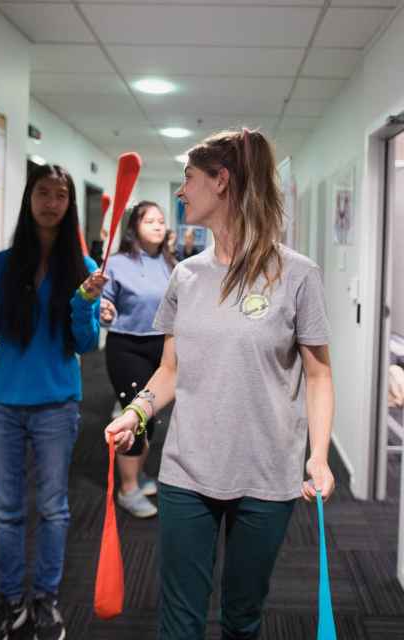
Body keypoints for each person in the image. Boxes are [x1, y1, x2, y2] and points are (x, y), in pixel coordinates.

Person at [105, 129, 335, 639]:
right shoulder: (185, 276)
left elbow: (318, 374)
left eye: (188, 178)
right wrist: (136, 412)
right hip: (188, 470)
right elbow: (170, 370)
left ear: (222, 181)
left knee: (242, 616)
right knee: (179, 620)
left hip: (267, 473)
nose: (181, 192)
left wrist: (317, 456)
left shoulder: (298, 275)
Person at [0, 164, 112, 640]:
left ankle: (46, 599)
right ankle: (11, 599)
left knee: (54, 508)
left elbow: (84, 344)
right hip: (2, 403)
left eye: (61, 195)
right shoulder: (1, 265)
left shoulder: (79, 268)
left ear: (70, 206)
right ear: (29, 197)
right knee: (7, 509)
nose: (52, 202)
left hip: (57, 403)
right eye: (43, 192)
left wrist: (83, 303)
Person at [103, 200, 175, 518]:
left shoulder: (172, 264)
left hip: (162, 348)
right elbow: (103, 301)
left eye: (161, 221)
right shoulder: (117, 263)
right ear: (134, 227)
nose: (158, 226)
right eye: (150, 221)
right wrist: (104, 308)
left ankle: (138, 474)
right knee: (135, 415)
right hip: (126, 347)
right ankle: (127, 490)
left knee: (151, 417)